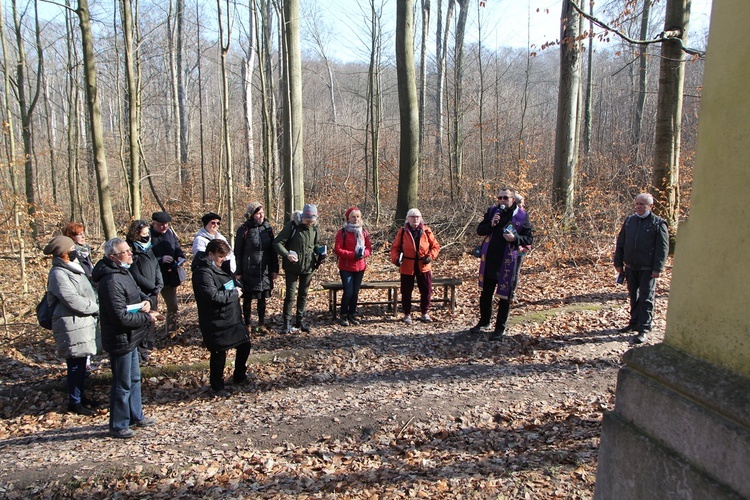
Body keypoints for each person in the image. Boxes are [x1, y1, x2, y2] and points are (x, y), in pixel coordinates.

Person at [93, 238, 161, 439]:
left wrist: (146, 301)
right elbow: (119, 316)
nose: (130, 254)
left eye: (130, 251)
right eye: (126, 252)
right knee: (122, 383)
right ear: (113, 257)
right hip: (120, 338)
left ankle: (135, 415)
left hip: (132, 337)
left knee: (134, 378)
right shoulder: (110, 280)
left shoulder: (123, 272)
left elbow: (136, 292)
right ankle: (118, 424)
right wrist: (146, 317)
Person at [44, 235, 101, 416]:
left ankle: (81, 397)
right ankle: (74, 402)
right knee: (75, 365)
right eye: (71, 248)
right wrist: (95, 307)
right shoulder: (58, 273)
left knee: (82, 362)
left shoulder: (73, 268)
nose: (75, 249)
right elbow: (71, 298)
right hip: (71, 324)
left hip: (82, 323)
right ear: (64, 253)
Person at [470, 187, 533, 341]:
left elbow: (529, 238)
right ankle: (484, 322)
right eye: (500, 198)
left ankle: (500, 328)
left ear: (513, 199)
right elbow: (480, 230)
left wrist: (515, 239)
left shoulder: (521, 216)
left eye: (505, 198)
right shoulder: (492, 212)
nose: (502, 201)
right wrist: (491, 224)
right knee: (486, 294)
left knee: (504, 296)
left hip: (507, 261)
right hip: (490, 260)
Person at [191, 239, 251, 397]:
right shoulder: (202, 272)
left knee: (244, 345)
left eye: (225, 255)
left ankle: (239, 375)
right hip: (215, 319)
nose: (223, 259)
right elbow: (212, 296)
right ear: (210, 254)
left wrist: (238, 287)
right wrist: (234, 294)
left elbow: (234, 283)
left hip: (232, 317)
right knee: (219, 353)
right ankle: (216, 386)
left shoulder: (222, 267)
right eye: (220, 255)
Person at [614, 193, 669, 344]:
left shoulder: (658, 224)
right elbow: (621, 242)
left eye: (642, 204)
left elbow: (662, 249)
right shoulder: (630, 221)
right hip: (631, 267)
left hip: (648, 269)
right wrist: (618, 263)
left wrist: (658, 268)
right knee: (634, 296)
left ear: (650, 206)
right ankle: (634, 322)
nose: (638, 207)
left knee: (646, 298)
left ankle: (644, 328)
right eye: (637, 203)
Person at [273, 204, 325, 334]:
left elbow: (315, 245)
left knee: (303, 294)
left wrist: (321, 253)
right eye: (307, 220)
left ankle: (299, 321)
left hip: (308, 267)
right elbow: (277, 242)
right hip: (292, 267)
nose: (309, 223)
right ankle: (287, 322)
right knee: (290, 295)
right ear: (303, 217)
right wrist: (287, 254)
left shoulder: (315, 228)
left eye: (312, 221)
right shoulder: (292, 226)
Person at [390, 208, 441, 324]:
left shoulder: (426, 230)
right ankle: (407, 314)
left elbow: (436, 246)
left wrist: (430, 256)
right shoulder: (403, 231)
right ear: (407, 218)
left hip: (424, 264)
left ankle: (425, 313)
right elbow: (395, 248)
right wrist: (396, 259)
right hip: (407, 265)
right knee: (406, 291)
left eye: (417, 216)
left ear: (421, 218)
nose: (415, 219)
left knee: (426, 290)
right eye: (412, 217)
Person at [234, 202, 278, 333]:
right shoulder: (243, 229)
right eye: (258, 213)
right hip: (248, 269)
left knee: (262, 298)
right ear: (252, 215)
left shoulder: (267, 228)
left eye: (262, 213)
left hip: (264, 269)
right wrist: (239, 271)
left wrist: (275, 269)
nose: (261, 216)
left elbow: (273, 250)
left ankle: (261, 323)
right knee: (247, 298)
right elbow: (238, 251)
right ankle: (247, 323)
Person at [126, 220, 164, 362]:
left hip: (153, 292)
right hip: (140, 292)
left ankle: (147, 346)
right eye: (144, 234)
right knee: (140, 322)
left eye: (148, 233)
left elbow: (156, 267)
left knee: (150, 321)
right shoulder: (131, 250)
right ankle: (140, 352)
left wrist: (159, 283)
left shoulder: (149, 248)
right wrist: (150, 286)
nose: (147, 236)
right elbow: (134, 273)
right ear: (136, 234)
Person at [334, 206, 372, 326]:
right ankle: (343, 315)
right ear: (348, 218)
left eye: (358, 217)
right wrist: (353, 255)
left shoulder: (364, 232)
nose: (356, 219)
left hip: (360, 267)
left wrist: (363, 254)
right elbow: (337, 249)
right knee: (348, 292)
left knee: (355, 292)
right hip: (346, 267)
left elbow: (369, 249)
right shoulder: (342, 232)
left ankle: (352, 314)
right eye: (353, 217)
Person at [150, 211, 186, 331]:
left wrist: (179, 256)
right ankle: (149, 338)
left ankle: (171, 331)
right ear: (154, 223)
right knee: (151, 309)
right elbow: (143, 258)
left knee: (173, 305)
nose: (164, 227)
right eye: (161, 224)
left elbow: (176, 247)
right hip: (152, 278)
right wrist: (160, 259)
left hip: (169, 276)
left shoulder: (170, 232)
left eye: (166, 224)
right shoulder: (147, 236)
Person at [511, 194, 533, 295]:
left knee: (515, 272)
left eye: (522, 203)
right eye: (519, 202)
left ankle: (512, 293)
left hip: (519, 250)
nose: (522, 205)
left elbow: (528, 235)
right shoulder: (507, 215)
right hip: (507, 249)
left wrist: (525, 247)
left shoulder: (523, 215)